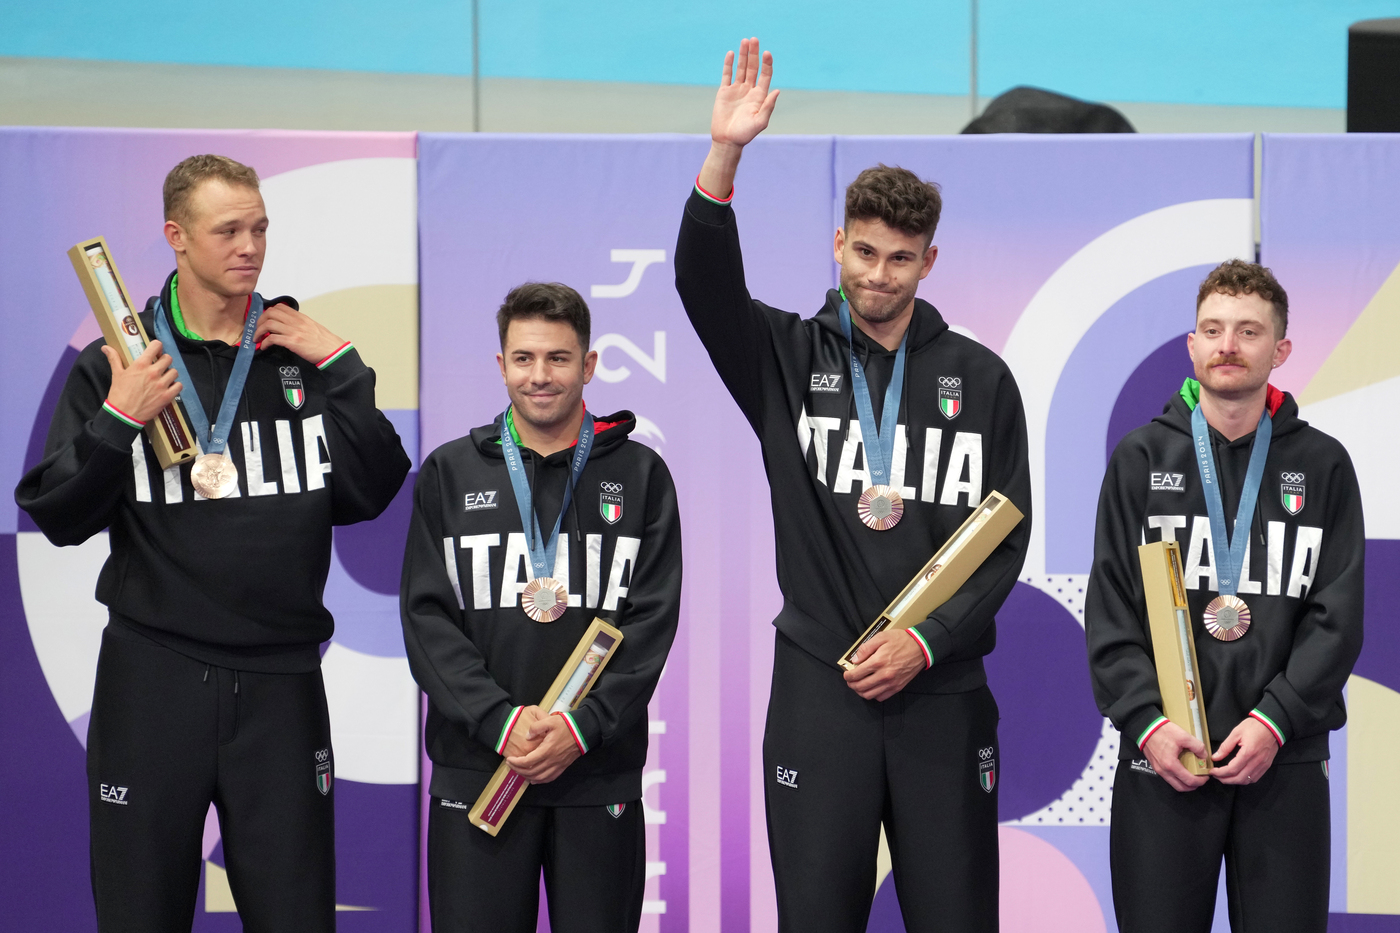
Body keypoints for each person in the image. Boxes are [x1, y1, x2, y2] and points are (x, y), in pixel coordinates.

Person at [674, 39, 1031, 932]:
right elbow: (701, 282)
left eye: (900, 258)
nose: (878, 274)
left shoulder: (980, 380)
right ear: (839, 243)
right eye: (864, 251)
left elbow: (1004, 540)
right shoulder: (785, 358)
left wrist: (928, 642)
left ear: (929, 263)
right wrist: (725, 155)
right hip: (819, 692)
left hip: (940, 696)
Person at [15, 154, 411, 931]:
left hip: (283, 685)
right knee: (141, 913)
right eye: (227, 229)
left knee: (296, 915)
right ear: (176, 237)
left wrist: (341, 364)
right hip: (153, 680)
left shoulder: (294, 354)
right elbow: (56, 513)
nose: (250, 245)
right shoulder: (123, 365)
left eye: (260, 227)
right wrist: (118, 420)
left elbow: (372, 490)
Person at [1085, 260, 1364, 932]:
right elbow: (1113, 611)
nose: (1227, 345)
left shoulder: (1323, 464)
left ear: (1281, 349)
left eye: (1247, 331)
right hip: (1166, 757)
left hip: (1283, 759)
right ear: (1192, 345)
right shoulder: (1141, 459)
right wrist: (1148, 725)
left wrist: (1277, 718)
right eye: (1212, 329)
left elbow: (1338, 615)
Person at [400, 282, 681, 933]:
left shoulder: (641, 476)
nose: (540, 375)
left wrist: (582, 727)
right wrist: (499, 721)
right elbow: (427, 618)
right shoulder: (449, 472)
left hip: (597, 773)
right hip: (479, 770)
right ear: (500, 365)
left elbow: (651, 620)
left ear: (589, 364)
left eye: (558, 358)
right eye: (523, 358)